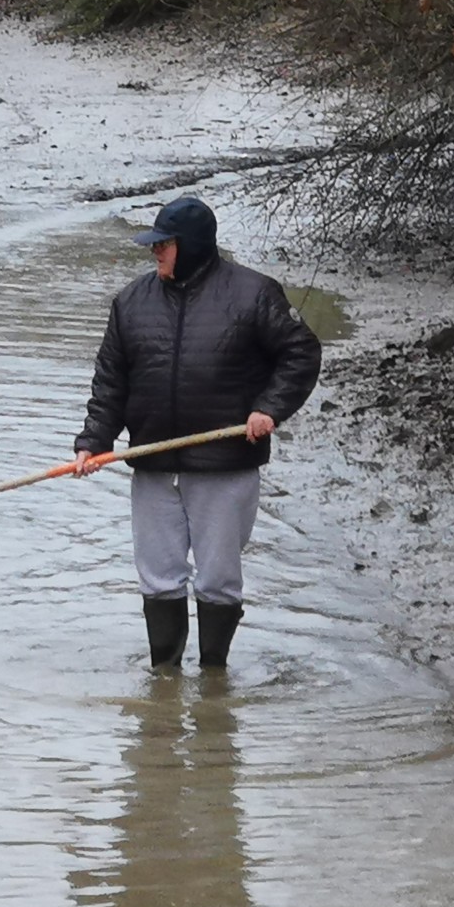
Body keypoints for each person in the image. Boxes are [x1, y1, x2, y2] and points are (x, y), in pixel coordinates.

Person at [73, 195, 321, 670]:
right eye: (154, 245)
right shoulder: (130, 303)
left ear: (189, 246)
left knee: (218, 578)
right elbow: (110, 382)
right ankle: (164, 679)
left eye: (162, 245)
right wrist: (93, 442)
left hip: (225, 466)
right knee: (157, 576)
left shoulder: (253, 294)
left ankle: (213, 673)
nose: (155, 253)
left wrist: (269, 409)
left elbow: (301, 352)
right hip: (152, 464)